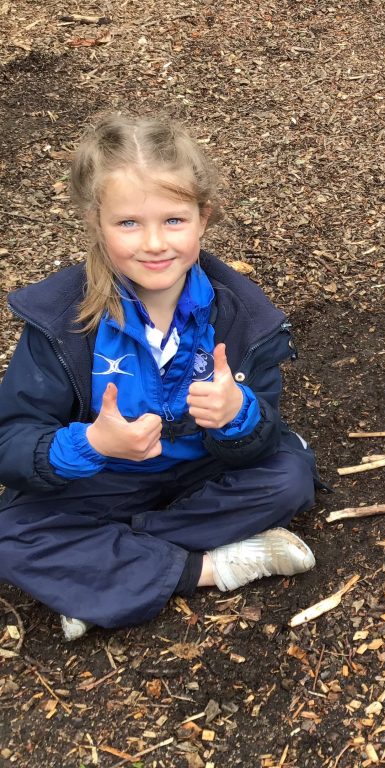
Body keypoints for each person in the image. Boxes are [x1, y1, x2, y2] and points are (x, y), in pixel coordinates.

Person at [0, 115, 319, 640]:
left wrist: (239, 417)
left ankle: (102, 568)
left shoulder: (244, 315)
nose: (153, 243)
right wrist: (91, 443)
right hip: (102, 483)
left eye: (173, 221)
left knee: (288, 478)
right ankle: (212, 568)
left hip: (202, 476)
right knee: (10, 533)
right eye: (128, 223)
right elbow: (12, 442)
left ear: (203, 218)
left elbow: (264, 439)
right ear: (94, 221)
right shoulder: (62, 321)